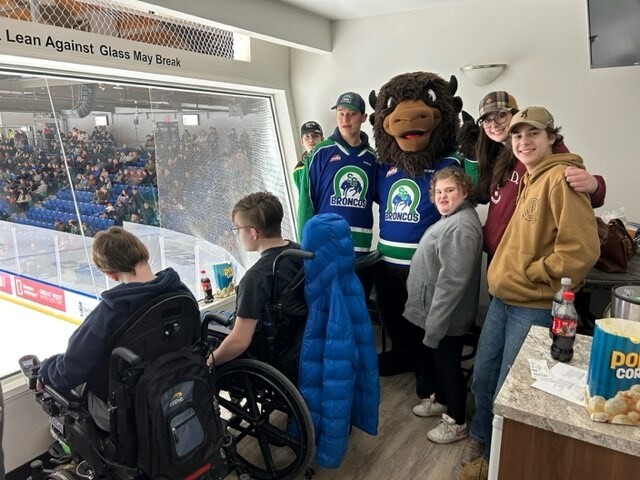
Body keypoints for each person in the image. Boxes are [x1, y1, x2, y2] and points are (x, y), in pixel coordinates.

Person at [459, 91, 607, 467]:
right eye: (517, 136)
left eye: (533, 135)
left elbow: (580, 252)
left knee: (512, 386)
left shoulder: (561, 177)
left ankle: (499, 459)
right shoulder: (524, 174)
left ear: (551, 138)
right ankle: (481, 441)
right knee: (485, 376)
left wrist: (536, 272)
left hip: (533, 302)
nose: (523, 142)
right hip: (504, 295)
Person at [37, 227, 194, 431]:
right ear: (144, 251)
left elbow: (69, 370)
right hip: (179, 392)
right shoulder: (182, 294)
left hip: (126, 412)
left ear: (110, 274)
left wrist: (46, 370)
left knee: (71, 387)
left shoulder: (110, 312)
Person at [403, 167, 482, 444]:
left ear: (464, 191)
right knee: (440, 365)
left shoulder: (461, 226)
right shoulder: (452, 219)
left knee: (448, 368)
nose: (443, 196)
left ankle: (457, 421)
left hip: (447, 318)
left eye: (450, 190)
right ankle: (442, 400)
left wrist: (435, 327)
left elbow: (452, 283)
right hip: (438, 315)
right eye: (438, 191)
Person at [207, 192, 306, 379]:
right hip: (295, 342)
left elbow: (239, 342)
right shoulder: (300, 252)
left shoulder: (255, 277)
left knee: (202, 319)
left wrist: (209, 363)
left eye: (237, 229)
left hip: (267, 351)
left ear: (253, 233)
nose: (237, 234)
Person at [296, 92, 377, 255]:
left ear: (363, 117)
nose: (345, 119)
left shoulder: (372, 157)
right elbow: (306, 201)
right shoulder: (320, 152)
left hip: (360, 247)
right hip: (325, 246)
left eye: (352, 114)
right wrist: (304, 247)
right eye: (341, 113)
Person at [292, 121, 324, 193]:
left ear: (322, 139)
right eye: (307, 136)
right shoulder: (298, 169)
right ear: (302, 141)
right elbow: (302, 196)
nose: (311, 140)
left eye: (315, 136)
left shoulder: (331, 161)